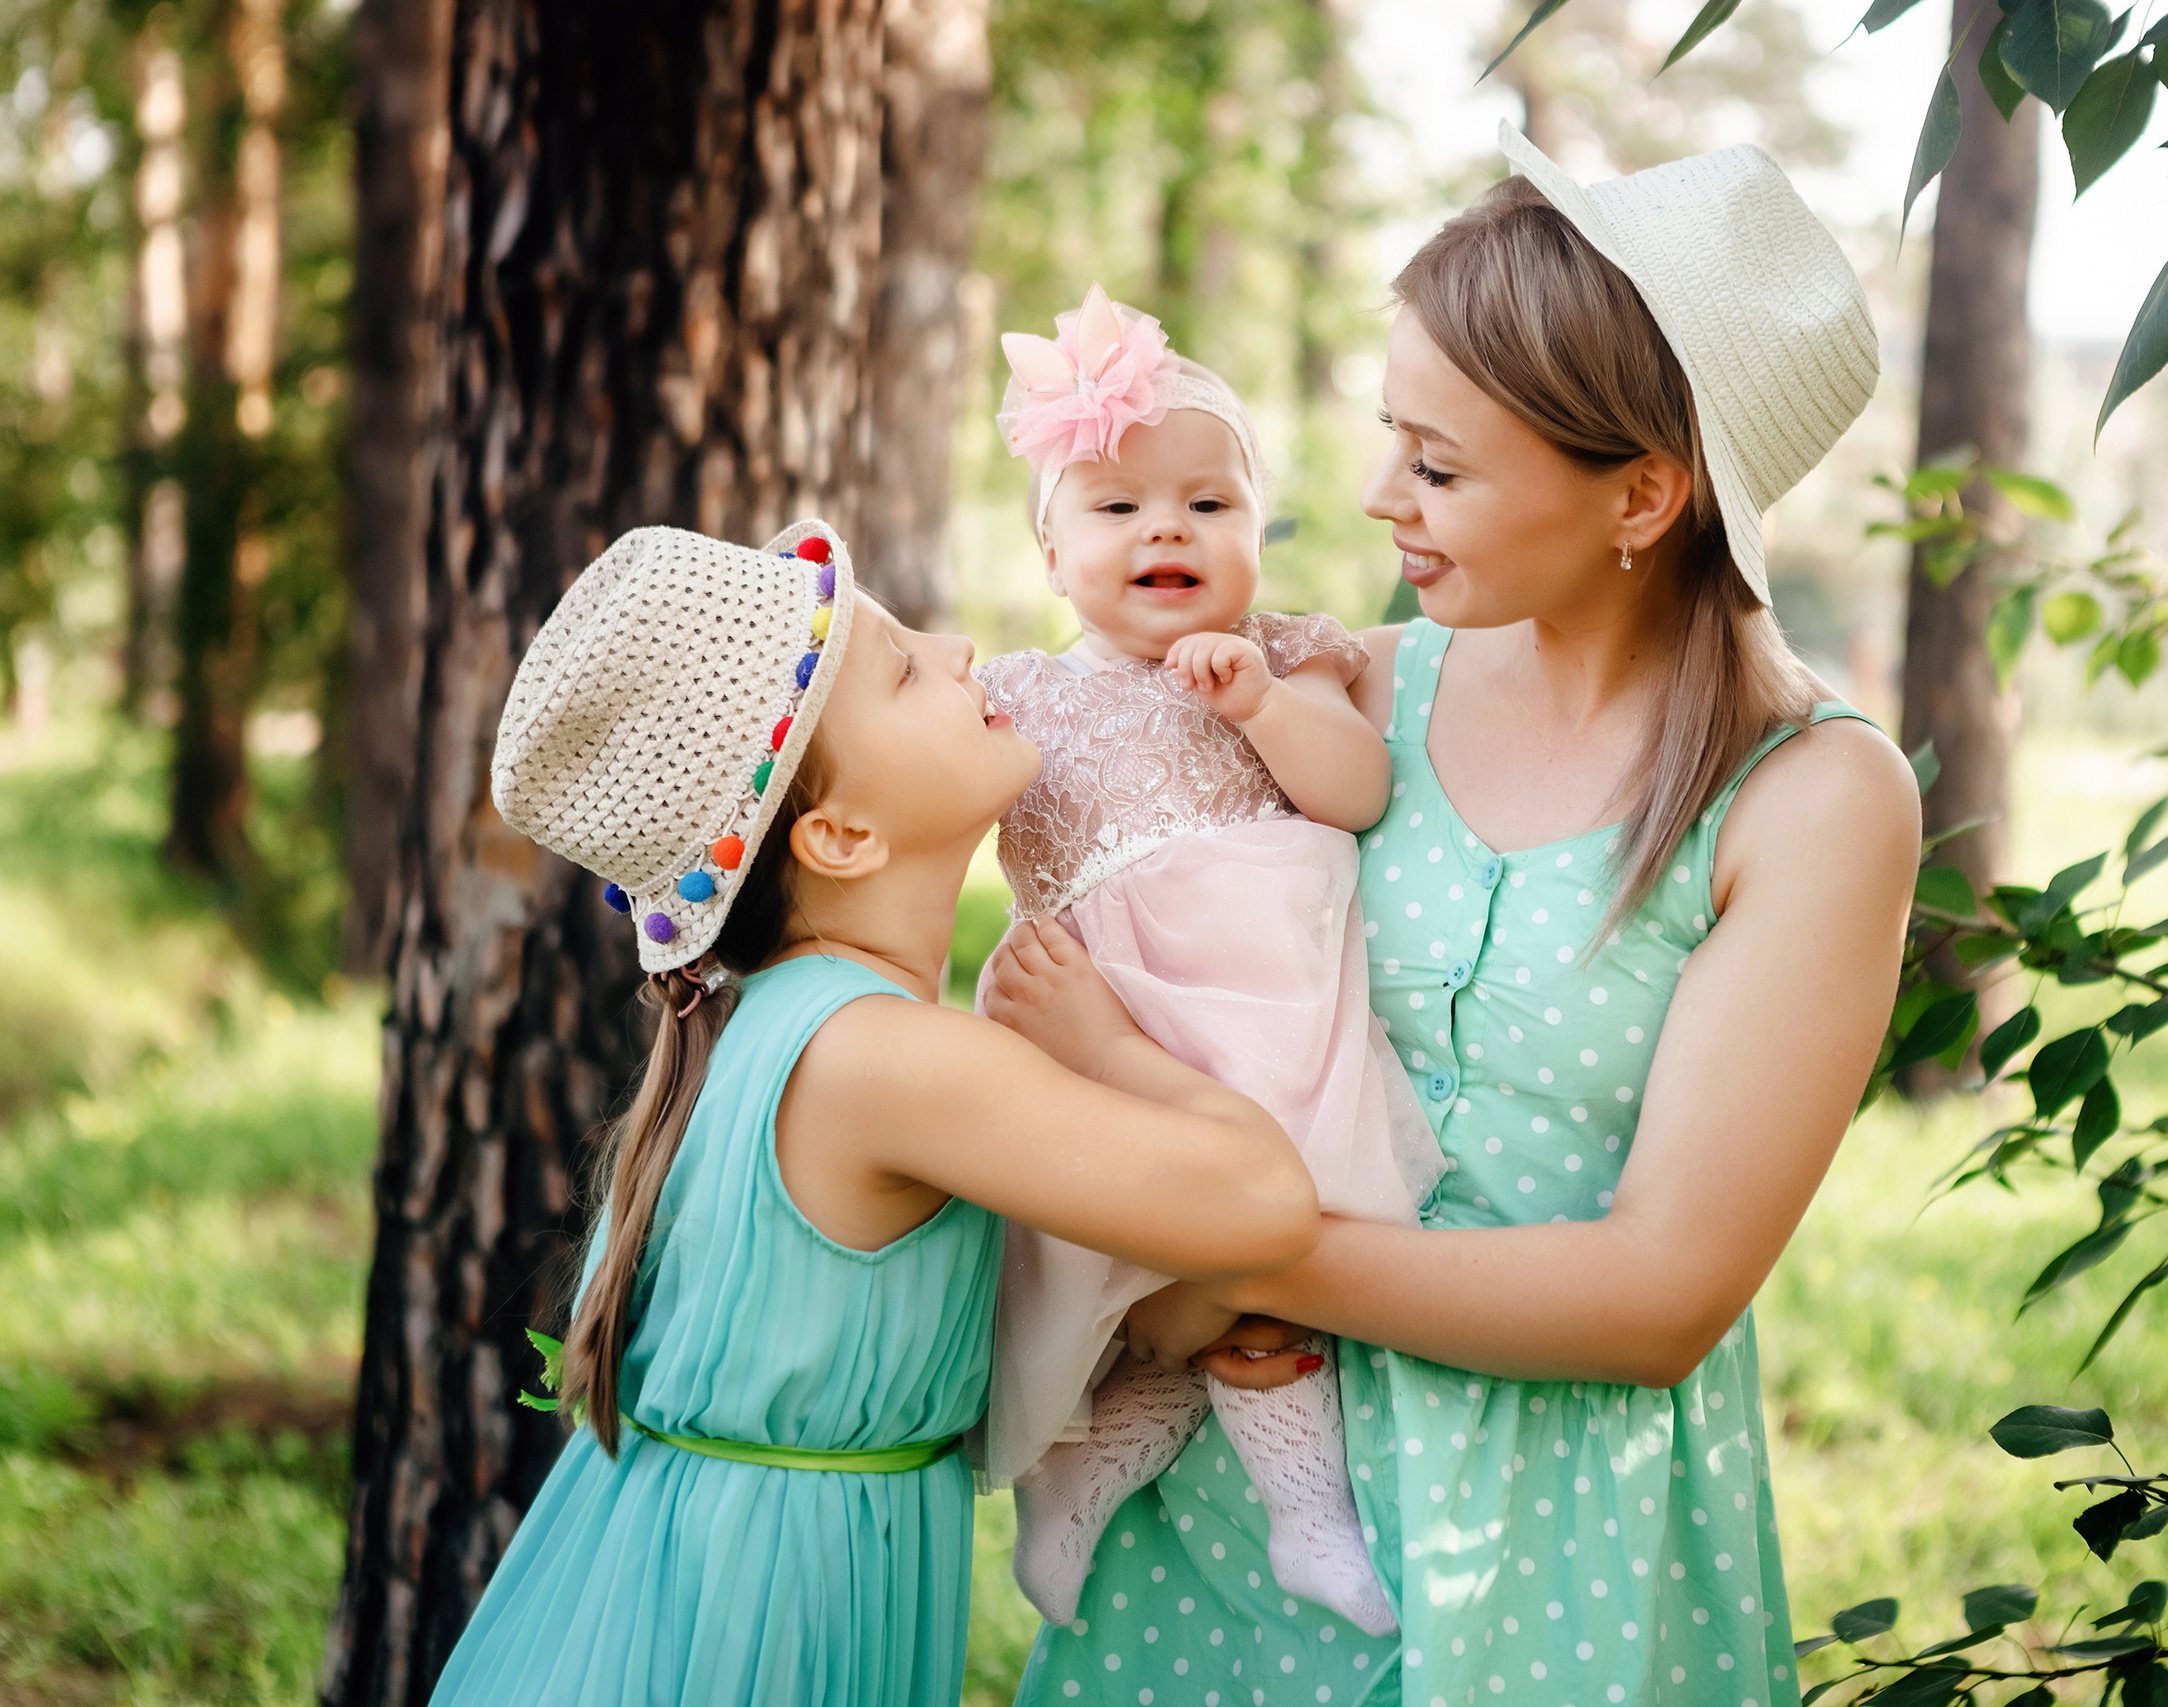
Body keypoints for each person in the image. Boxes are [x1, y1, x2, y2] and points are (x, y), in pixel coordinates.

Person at [1006, 124, 1921, 1706]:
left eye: (1437, 465)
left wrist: (1226, 1252)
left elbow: (1656, 1295)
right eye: (1388, 439)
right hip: (1234, 1506)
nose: (1376, 498)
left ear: (1643, 491)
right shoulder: (1351, 688)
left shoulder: (1812, 797)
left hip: (1555, 1540)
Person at [425, 519, 1320, 1707]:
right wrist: (1106, 1044)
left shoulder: (781, 1020)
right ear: (840, 838)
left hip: (672, 1585)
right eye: (902, 670)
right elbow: (1265, 1203)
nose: (958, 651)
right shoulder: (888, 1059)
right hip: (760, 1621)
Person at [974, 284, 1441, 1639]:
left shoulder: (1286, 656)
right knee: (1130, 1270)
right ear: (1054, 557)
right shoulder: (1019, 694)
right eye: (1116, 510)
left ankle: (1307, 1511)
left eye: (1207, 504)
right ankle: (1079, 1462)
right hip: (1110, 1016)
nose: (1165, 528)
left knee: (1267, 1233)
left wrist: (1264, 702)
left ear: (1256, 528)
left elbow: (1356, 791)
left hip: (1272, 1019)